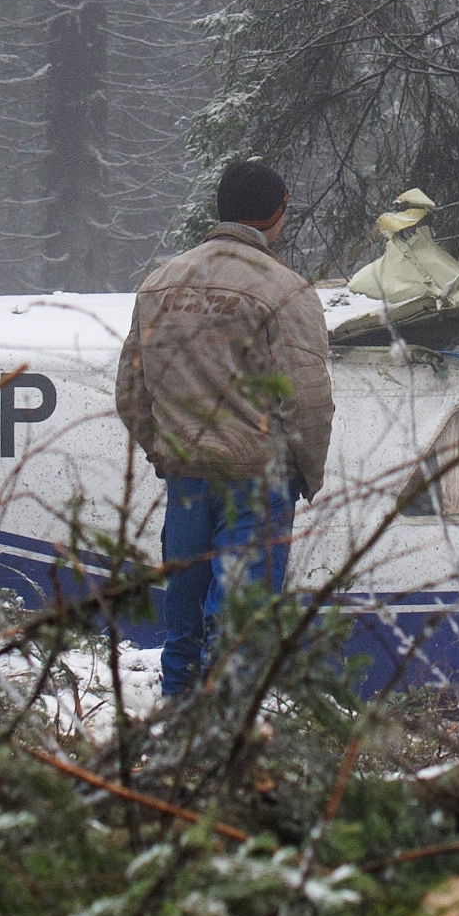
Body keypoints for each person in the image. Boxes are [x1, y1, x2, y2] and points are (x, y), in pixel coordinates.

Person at [116, 158, 333, 700]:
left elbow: (130, 394)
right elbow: (307, 398)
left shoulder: (159, 284)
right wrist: (306, 473)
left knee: (183, 625)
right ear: (276, 214)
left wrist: (168, 452)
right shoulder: (285, 289)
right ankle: (220, 746)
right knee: (237, 628)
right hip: (258, 483)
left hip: (186, 483)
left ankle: (176, 737)